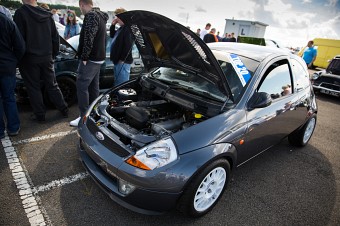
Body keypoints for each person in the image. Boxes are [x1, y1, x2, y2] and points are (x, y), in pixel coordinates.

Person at [14, 0, 68, 122]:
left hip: (29, 58)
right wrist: (53, 54)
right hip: (46, 56)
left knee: (33, 87)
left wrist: (18, 58)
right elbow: (55, 37)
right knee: (52, 84)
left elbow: (18, 39)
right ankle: (63, 108)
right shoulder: (47, 14)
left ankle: (40, 115)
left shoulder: (20, 13)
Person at [69, 0, 108, 127]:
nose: (80, 9)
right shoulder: (101, 16)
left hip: (91, 58)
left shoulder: (91, 15)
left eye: (80, 6)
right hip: (99, 57)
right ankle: (93, 114)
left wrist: (84, 56)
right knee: (93, 87)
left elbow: (88, 37)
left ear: (82, 4)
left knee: (81, 86)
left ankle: (83, 117)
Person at [0, 12, 25, 139]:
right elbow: (20, 46)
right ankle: (13, 128)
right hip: (6, 65)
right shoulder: (7, 21)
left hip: (7, 64)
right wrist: (14, 61)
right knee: (9, 97)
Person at [110, 7, 134, 87]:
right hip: (118, 61)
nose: (116, 18)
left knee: (121, 85)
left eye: (117, 16)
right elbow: (112, 35)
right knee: (117, 84)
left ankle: (122, 99)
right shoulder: (121, 28)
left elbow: (128, 45)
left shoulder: (127, 28)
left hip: (123, 62)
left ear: (122, 17)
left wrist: (122, 59)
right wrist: (113, 25)